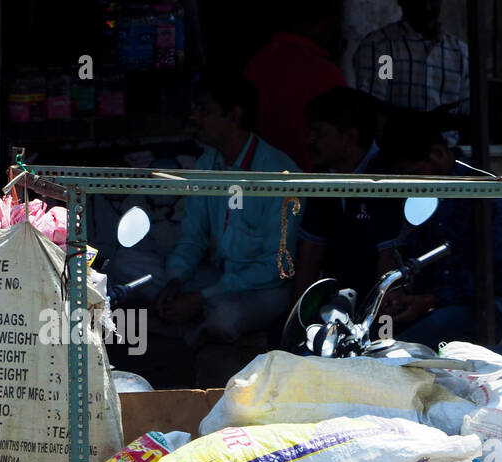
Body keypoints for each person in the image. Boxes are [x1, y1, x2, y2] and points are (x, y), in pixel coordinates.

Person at [111, 74, 299, 385]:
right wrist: (174, 281)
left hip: (264, 289)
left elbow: (275, 267)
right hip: (216, 278)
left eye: (204, 109)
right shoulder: (206, 165)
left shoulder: (280, 172)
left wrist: (200, 297)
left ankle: (192, 325)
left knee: (223, 316)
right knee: (125, 264)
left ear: (234, 116)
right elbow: (192, 238)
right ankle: (192, 320)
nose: (194, 117)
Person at [376, 111, 502, 346]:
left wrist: (430, 300)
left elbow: (497, 278)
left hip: (481, 308)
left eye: (415, 174)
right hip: (427, 305)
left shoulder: (484, 190)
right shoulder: (420, 194)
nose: (411, 185)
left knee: (401, 349)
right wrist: (402, 295)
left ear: (438, 154)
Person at [293, 88, 400, 303]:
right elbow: (310, 254)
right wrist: (297, 317)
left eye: (318, 133)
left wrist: (381, 318)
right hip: (336, 302)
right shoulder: (323, 177)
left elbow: (390, 262)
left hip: (379, 307)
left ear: (350, 137)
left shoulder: (387, 177)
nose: (308, 140)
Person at [243, 1, 347, 170]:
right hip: (311, 180)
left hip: (263, 176)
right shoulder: (325, 72)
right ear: (316, 24)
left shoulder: (256, 65)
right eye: (330, 23)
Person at [353, 0, 469, 116]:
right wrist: (425, 122)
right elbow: (373, 110)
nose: (427, 4)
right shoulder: (383, 49)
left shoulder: (460, 53)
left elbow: (467, 113)